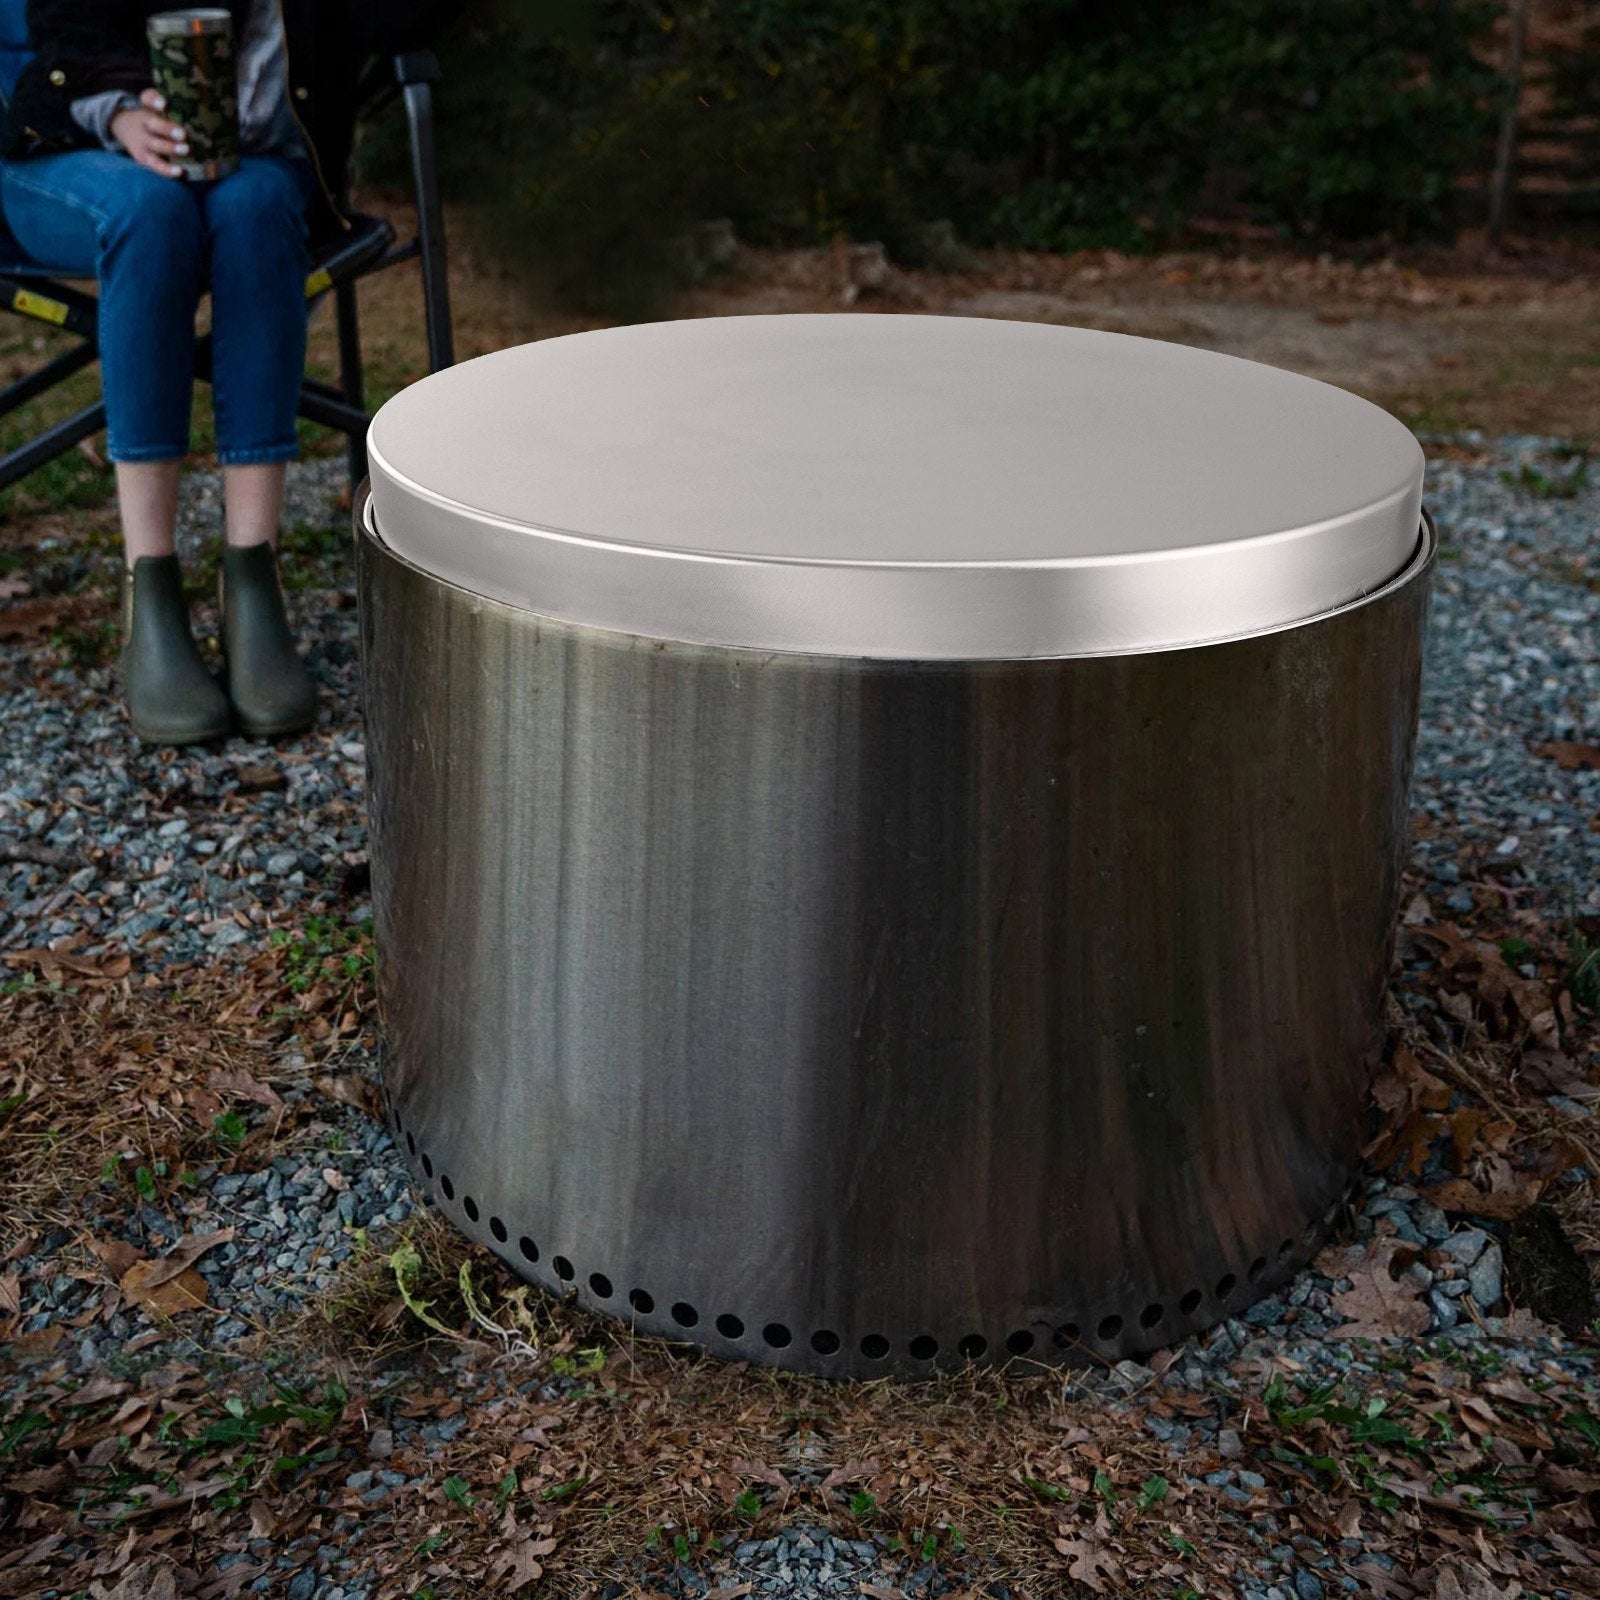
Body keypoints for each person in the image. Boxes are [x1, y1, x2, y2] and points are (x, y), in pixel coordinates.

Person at [0, 1, 435, 745]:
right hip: (69, 146)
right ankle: (150, 590)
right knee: (150, 212)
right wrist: (122, 112)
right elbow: (65, 20)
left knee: (256, 208)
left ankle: (254, 580)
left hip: (256, 165)